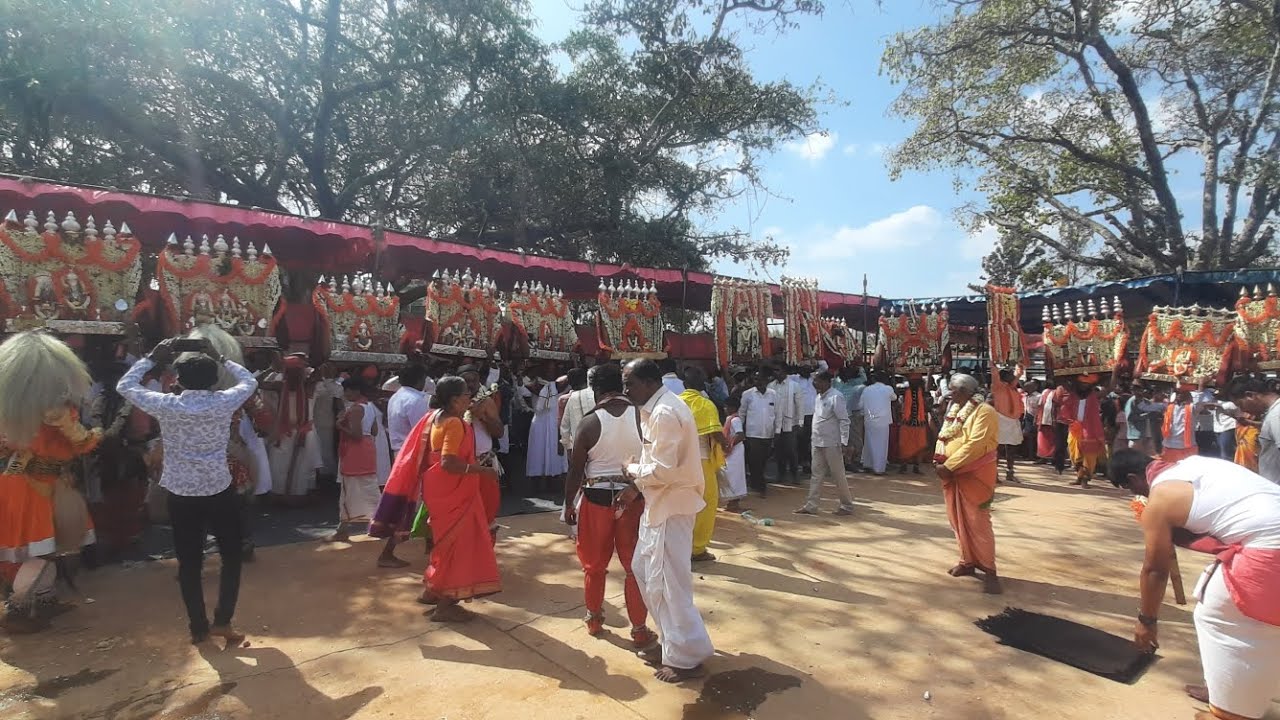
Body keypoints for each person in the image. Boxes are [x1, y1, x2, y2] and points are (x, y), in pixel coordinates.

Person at [1108, 450, 1280, 720]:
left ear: (1133, 479)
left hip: (1269, 548)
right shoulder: (1193, 465)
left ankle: (1231, 712)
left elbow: (1155, 569)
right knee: (1219, 605)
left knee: (1223, 618)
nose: (1135, 495)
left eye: (1130, 489)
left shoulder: (1161, 498)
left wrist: (1147, 620)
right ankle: (1224, 690)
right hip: (1266, 538)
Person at [117, 337, 258, 645]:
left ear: (178, 380)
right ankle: (223, 621)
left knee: (190, 563)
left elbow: (124, 386)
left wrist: (152, 357)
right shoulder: (224, 401)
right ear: (212, 381)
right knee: (231, 556)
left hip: (181, 494)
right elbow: (249, 380)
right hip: (219, 489)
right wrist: (221, 356)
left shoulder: (167, 404)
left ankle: (198, 628)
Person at [0, 332, 103, 633]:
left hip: (15, 481)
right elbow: (82, 442)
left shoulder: (11, 410)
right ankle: (17, 607)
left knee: (46, 549)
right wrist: (98, 433)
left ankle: (44, 599)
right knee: (43, 551)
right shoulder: (56, 409)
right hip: (40, 486)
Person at [621, 359, 714, 683]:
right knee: (645, 571)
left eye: (629, 383)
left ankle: (687, 656)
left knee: (670, 583)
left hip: (672, 506)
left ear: (648, 382)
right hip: (660, 504)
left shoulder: (663, 413)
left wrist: (631, 470)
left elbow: (663, 470)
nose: (626, 390)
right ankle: (675, 643)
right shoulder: (658, 408)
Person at [562, 364, 656, 647]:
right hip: (634, 499)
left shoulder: (589, 422)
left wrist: (568, 504)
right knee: (633, 567)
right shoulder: (642, 417)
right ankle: (639, 629)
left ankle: (594, 621)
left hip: (595, 499)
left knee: (594, 566)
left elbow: (575, 469)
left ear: (595, 390)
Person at [397, 377, 502, 621]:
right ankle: (445, 606)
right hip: (453, 490)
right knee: (459, 545)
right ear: (455, 400)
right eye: (466, 394)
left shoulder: (435, 418)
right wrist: (483, 471)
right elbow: (449, 462)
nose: (470, 397)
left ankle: (432, 591)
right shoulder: (455, 423)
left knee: (444, 542)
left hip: (439, 489)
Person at [933, 373, 1002, 595]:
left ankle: (990, 572)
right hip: (953, 474)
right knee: (957, 518)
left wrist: (949, 465)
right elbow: (946, 437)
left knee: (978, 520)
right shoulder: (954, 411)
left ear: (963, 391)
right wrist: (940, 461)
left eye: (952, 389)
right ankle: (967, 561)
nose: (949, 393)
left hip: (975, 474)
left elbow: (975, 444)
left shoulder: (985, 412)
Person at [679, 368, 727, 563]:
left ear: (684, 384)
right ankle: (697, 549)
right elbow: (715, 433)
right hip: (702, 461)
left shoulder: (674, 403)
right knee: (706, 504)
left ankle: (679, 546)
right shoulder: (706, 405)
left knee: (681, 505)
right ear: (703, 385)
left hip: (678, 462)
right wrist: (724, 442)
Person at [328, 378, 383, 546]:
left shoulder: (356, 409)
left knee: (349, 489)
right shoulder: (370, 406)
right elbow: (374, 430)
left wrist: (339, 425)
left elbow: (356, 435)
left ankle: (343, 529)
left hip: (354, 452)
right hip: (367, 449)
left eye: (347, 391)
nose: (345, 395)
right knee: (368, 487)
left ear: (356, 391)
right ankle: (377, 522)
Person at [262, 354, 321, 502]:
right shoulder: (300, 385)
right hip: (285, 431)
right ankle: (285, 496)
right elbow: (254, 383)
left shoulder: (305, 385)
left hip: (301, 431)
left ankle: (293, 496)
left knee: (294, 465)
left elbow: (254, 382)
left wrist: (271, 369)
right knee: (284, 464)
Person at [796, 372, 854, 516]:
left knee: (838, 474)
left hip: (832, 442)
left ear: (827, 382)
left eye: (817, 381)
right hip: (817, 441)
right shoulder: (818, 397)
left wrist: (844, 442)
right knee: (816, 474)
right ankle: (811, 505)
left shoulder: (836, 397)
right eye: (814, 381)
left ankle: (846, 505)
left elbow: (844, 420)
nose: (814, 384)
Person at [1224, 375, 1280, 484]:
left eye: (1240, 404)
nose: (1243, 410)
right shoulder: (1274, 413)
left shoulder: (1276, 415)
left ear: (1250, 395)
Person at [738, 370, 782, 497]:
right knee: (755, 460)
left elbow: (778, 414)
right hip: (753, 434)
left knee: (763, 460)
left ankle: (756, 482)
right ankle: (760, 485)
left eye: (761, 379)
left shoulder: (774, 395)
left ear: (766, 380)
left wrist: (777, 431)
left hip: (768, 434)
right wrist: (739, 429)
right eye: (756, 380)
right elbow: (742, 413)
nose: (759, 382)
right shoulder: (748, 395)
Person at [1059, 375, 1106, 487]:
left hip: (1091, 430)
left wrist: (1115, 372)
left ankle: (1085, 478)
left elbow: (1110, 388)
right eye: (1082, 384)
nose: (1084, 386)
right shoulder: (1072, 395)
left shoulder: (1095, 396)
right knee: (1074, 455)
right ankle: (1079, 477)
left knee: (1089, 456)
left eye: (1087, 384)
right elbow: (1061, 381)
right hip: (1074, 429)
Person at [526, 372, 569, 492]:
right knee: (538, 450)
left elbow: (565, 381)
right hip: (540, 422)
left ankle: (553, 478)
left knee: (554, 449)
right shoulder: (532, 384)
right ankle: (536, 480)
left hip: (554, 420)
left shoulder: (562, 386)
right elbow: (527, 388)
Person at [991, 368, 1025, 484]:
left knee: (1011, 448)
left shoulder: (1013, 387)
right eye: (1010, 375)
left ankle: (1010, 473)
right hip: (1001, 419)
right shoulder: (998, 387)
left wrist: (1020, 364)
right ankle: (994, 474)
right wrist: (993, 362)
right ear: (1003, 377)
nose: (1013, 376)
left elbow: (1019, 373)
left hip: (1013, 421)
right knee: (998, 448)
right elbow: (994, 374)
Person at [860, 372, 897, 476]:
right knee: (881, 445)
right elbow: (894, 398)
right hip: (883, 421)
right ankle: (879, 468)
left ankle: (867, 464)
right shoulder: (888, 389)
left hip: (869, 419)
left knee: (868, 442)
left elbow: (860, 404)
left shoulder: (866, 389)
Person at [311, 363, 344, 481]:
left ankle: (327, 474)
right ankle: (320, 474)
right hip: (317, 421)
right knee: (319, 448)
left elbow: (338, 398)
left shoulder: (336, 386)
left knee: (326, 449)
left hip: (327, 422)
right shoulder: (318, 385)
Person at [769, 366, 801, 485]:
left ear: (785, 372)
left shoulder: (794, 386)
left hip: (790, 422)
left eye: (778, 370)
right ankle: (781, 474)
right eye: (775, 370)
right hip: (776, 423)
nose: (776, 372)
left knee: (791, 449)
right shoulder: (771, 386)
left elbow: (799, 405)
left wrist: (800, 422)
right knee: (778, 450)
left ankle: (794, 474)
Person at [896, 373, 931, 475]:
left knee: (920, 445)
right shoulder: (904, 392)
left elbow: (927, 406)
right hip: (907, 423)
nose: (915, 383)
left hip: (919, 423)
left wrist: (930, 374)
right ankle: (903, 466)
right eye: (913, 381)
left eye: (917, 381)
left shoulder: (923, 393)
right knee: (904, 445)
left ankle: (916, 467)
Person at [834, 365, 866, 472]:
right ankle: (850, 462)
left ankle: (844, 462)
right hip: (848, 416)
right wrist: (860, 368)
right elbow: (864, 379)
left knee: (843, 440)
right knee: (853, 441)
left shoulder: (836, 383)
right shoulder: (857, 386)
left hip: (837, 416)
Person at [720, 397, 748, 513]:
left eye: (726, 406)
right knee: (730, 474)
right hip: (732, 451)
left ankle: (734, 502)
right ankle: (731, 501)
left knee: (734, 475)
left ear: (732, 407)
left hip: (735, 452)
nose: (724, 409)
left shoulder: (735, 420)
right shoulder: (729, 419)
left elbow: (740, 435)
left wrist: (729, 446)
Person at [559, 368, 595, 455]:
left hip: (575, 444)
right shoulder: (597, 396)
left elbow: (562, 425)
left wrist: (565, 445)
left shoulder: (564, 399)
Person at [1162, 384, 1202, 463]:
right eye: (1177, 392)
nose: (1179, 395)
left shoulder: (1192, 408)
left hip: (1187, 448)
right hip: (1169, 446)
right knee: (1170, 470)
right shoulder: (1168, 407)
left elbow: (1199, 401)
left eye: (1182, 393)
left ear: (1187, 395)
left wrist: (1200, 386)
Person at [791, 365, 817, 474]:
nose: (805, 370)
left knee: (813, 439)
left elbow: (824, 366)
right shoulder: (794, 378)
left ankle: (812, 462)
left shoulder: (814, 378)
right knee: (802, 439)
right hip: (801, 414)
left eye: (808, 368)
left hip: (814, 413)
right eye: (803, 367)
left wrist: (814, 361)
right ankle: (803, 462)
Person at [1036, 381, 1057, 463]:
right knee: (1042, 439)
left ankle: (1053, 457)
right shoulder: (1044, 392)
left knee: (1053, 439)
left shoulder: (1057, 392)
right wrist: (1037, 418)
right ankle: (1043, 457)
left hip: (1052, 419)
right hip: (1043, 419)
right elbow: (1040, 405)